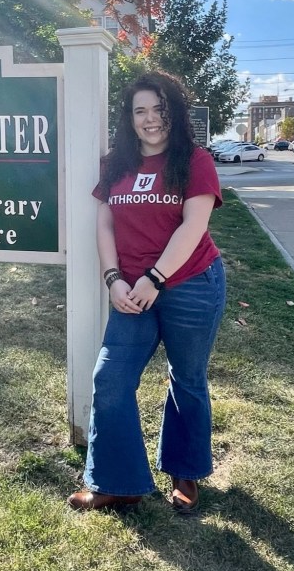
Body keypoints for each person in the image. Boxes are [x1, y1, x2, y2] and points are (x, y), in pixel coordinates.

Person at [68, 71, 226, 515]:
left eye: (159, 109)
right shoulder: (115, 162)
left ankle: (185, 472)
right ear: (129, 117)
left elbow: (194, 227)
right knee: (110, 379)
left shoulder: (194, 161)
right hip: (132, 291)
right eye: (140, 111)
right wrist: (113, 278)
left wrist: (155, 278)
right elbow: (104, 224)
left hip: (191, 284)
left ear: (173, 113)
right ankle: (117, 482)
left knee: (187, 378)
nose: (150, 119)